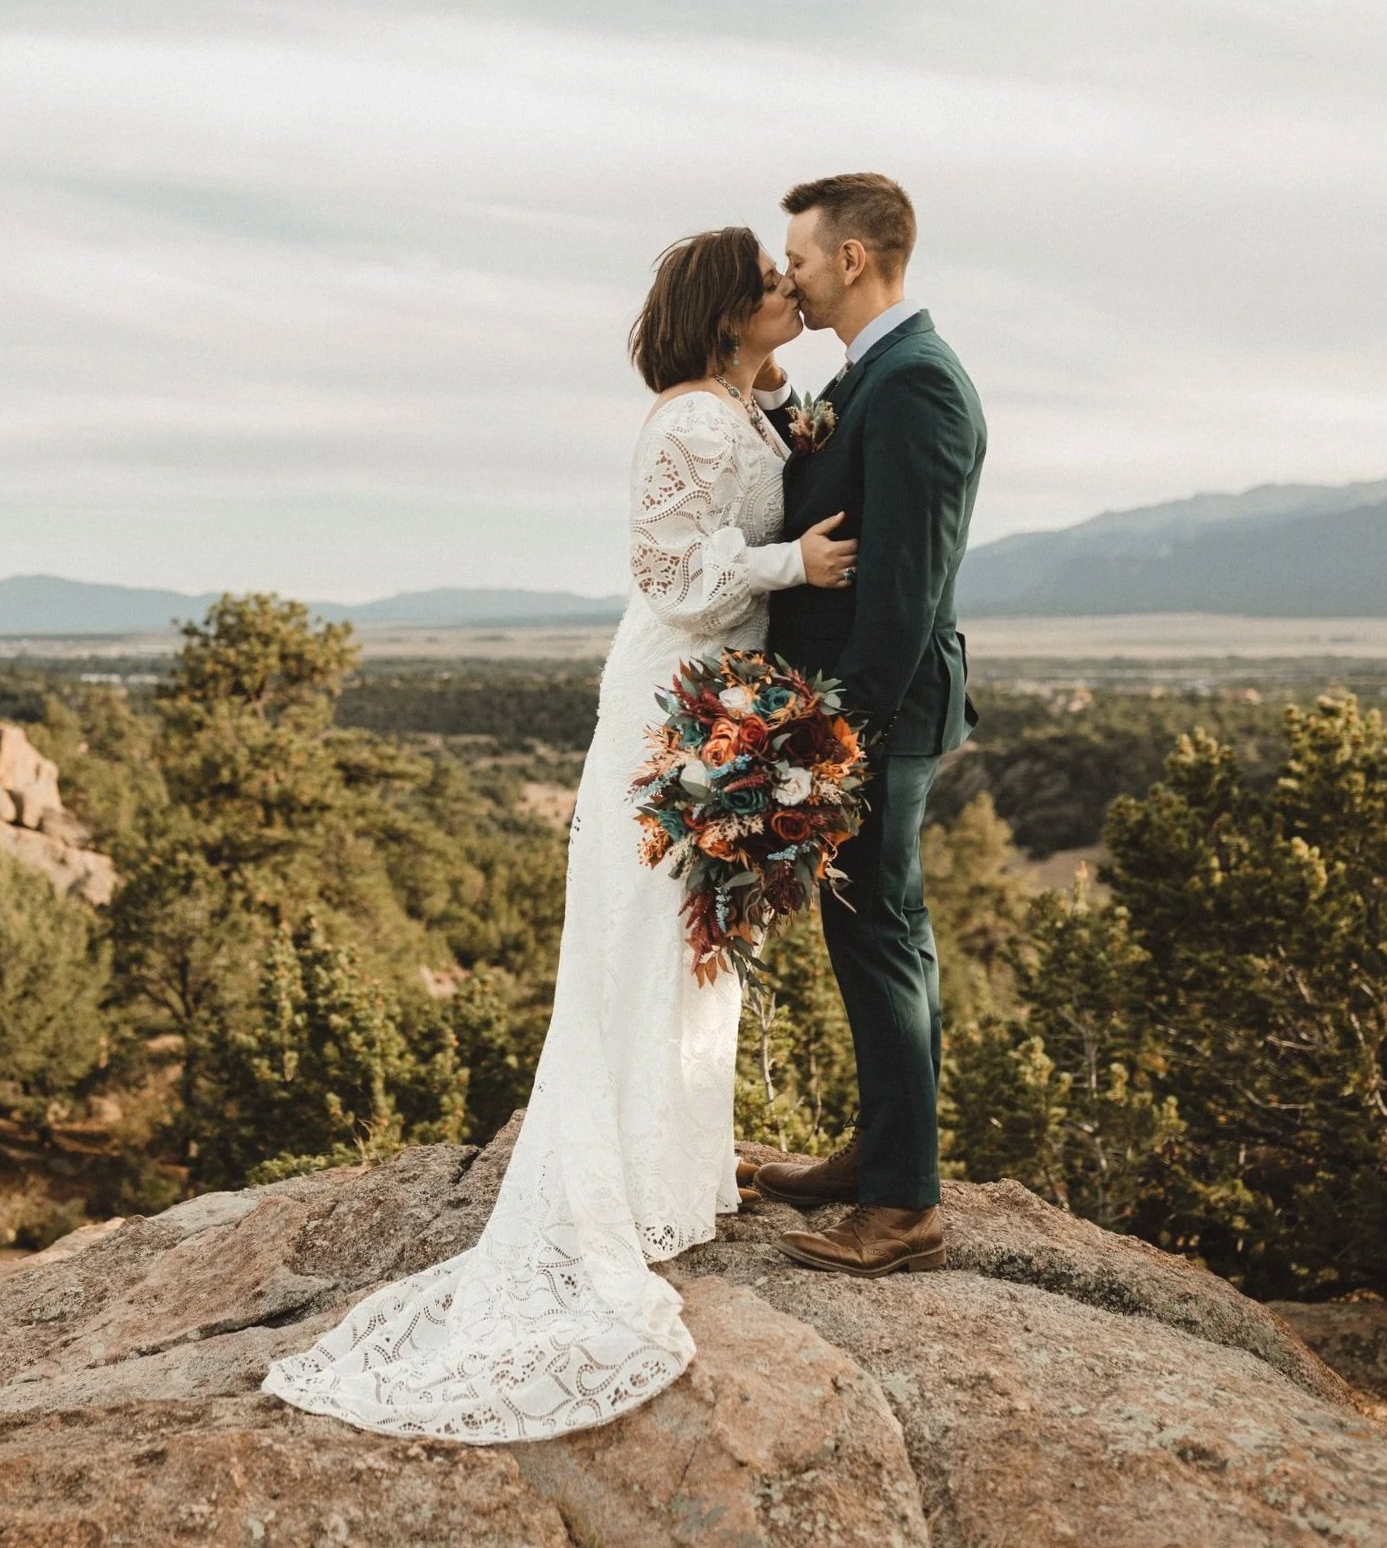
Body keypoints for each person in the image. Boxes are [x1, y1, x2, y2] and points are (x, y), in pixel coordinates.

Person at [258, 227, 856, 1442]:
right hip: (672, 693)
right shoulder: (687, 423)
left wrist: (781, 395)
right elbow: (671, 577)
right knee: (644, 927)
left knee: (693, 931)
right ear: (722, 310)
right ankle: (616, 1182)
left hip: (722, 691)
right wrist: (794, 561)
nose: (789, 290)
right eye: (768, 282)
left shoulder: (743, 408)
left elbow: (762, 442)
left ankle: (672, 1172)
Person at [750, 173, 986, 1277]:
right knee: (884, 934)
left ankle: (902, 1207)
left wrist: (836, 735)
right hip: (867, 709)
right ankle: (886, 1153)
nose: (789, 276)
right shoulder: (871, 374)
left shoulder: (917, 383)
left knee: (879, 936)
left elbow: (902, 592)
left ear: (850, 259)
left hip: (876, 713)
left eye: (799, 258)